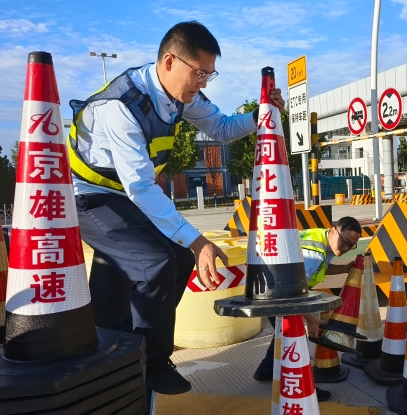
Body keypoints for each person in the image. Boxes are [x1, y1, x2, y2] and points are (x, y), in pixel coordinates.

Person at [68, 21, 285, 395]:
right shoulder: (121, 106)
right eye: (198, 73)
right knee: (157, 263)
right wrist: (198, 240)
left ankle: (120, 347)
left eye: (209, 75)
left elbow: (222, 127)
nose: (202, 83)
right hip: (89, 196)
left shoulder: (181, 98)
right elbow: (140, 186)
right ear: (169, 61)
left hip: (122, 197)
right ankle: (148, 361)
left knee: (179, 259)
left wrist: (260, 114)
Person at [252, 216, 362, 402]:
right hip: (273, 291)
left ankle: (265, 370)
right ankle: (303, 388)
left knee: (282, 333)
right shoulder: (315, 252)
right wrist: (311, 320)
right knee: (293, 338)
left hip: (267, 285)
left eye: (351, 246)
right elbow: (293, 291)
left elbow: (320, 269)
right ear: (334, 229)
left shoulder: (321, 238)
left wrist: (345, 268)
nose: (345, 249)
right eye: (344, 242)